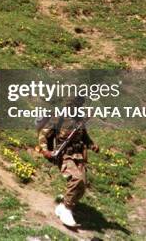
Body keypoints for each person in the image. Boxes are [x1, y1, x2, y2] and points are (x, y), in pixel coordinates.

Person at [38, 96, 100, 227]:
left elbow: (84, 136)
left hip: (79, 156)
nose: (78, 106)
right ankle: (67, 209)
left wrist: (92, 145)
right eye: (76, 102)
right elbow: (44, 134)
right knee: (76, 179)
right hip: (64, 155)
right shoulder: (59, 117)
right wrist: (45, 151)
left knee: (82, 186)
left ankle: (63, 206)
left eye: (80, 103)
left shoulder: (80, 119)